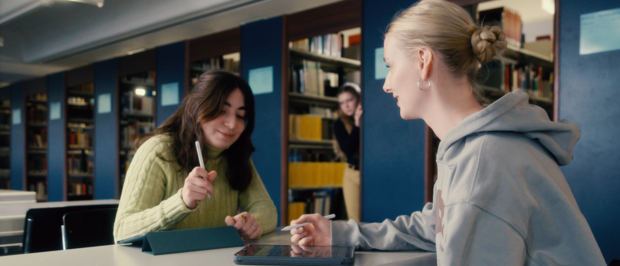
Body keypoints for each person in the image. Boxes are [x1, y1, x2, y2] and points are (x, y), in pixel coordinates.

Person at [289, 0, 606, 265]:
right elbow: (436, 226)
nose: (386, 84)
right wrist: (342, 234)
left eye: (390, 65)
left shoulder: (484, 162)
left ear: (423, 61)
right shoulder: (471, 148)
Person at [114, 70, 277, 242]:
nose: (231, 124)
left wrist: (251, 223)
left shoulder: (235, 154)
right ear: (197, 109)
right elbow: (122, 231)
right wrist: (181, 202)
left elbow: (266, 208)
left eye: (240, 116)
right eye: (222, 111)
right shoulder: (157, 150)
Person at [333, 83, 362, 222]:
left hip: (369, 174)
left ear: (358, 99)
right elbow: (348, 149)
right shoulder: (339, 124)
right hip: (351, 174)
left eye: (349, 100)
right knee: (354, 219)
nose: (346, 106)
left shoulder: (369, 118)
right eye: (342, 103)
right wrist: (357, 125)